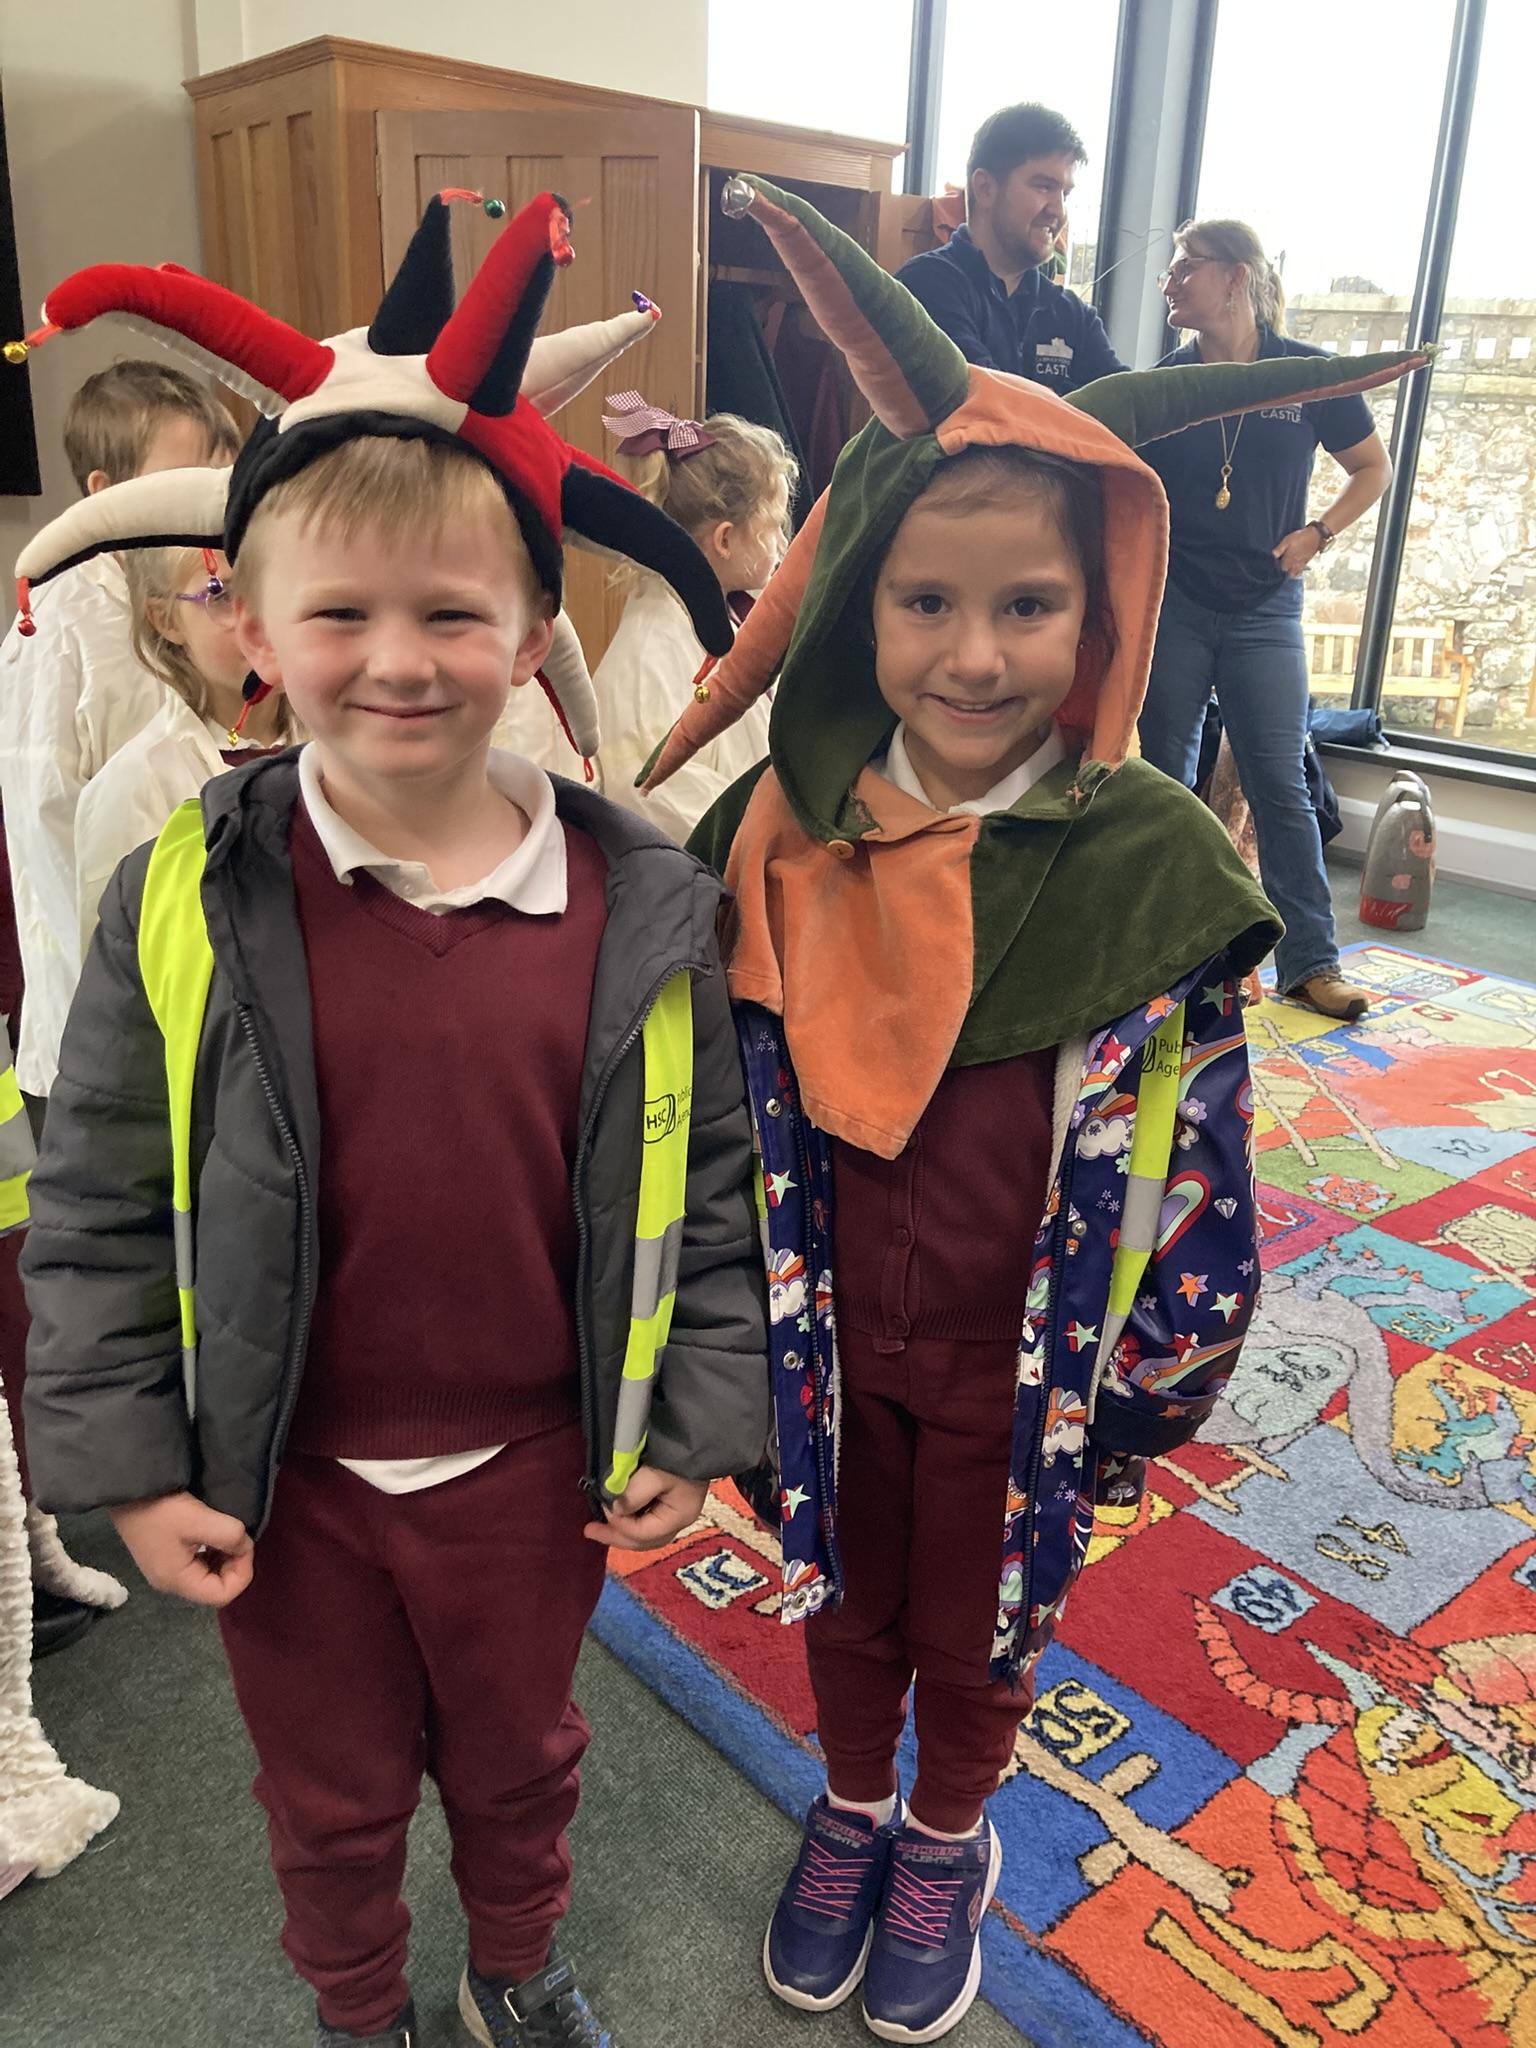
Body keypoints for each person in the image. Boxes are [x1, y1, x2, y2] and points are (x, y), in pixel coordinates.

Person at [642, 177, 1423, 2044]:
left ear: (1104, 611)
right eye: (925, 601)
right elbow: (689, 1106)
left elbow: (1200, 1147)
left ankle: (946, 1828)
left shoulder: (1151, 853)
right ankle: (851, 1801)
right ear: (858, 599)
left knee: (984, 1610)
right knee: (846, 1587)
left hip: (1030, 1345)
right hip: (832, 1334)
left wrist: (1157, 1371)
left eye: (1029, 606)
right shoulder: (774, 831)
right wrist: (706, 1336)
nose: (976, 655)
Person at [19, 193, 767, 2048]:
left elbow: (712, 1188)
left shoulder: (642, 908)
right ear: (255, 629)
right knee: (328, 1792)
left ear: (534, 628)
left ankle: (514, 1965)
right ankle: (360, 2010)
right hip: (285, 1478)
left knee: (524, 1758)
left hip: (536, 1465)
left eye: (452, 611)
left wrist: (696, 1420)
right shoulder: (186, 893)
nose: (400, 658)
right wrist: (129, 1464)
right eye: (340, 612)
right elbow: (98, 1192)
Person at [1136, 219, 1395, 1021]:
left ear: (1236, 277)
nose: (1170, 281)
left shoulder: (1306, 375)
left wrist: (1319, 533)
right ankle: (1156, 959)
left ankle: (1312, 964)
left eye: (1187, 266)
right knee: (1161, 783)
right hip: (1177, 605)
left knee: (1282, 787)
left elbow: (1372, 468)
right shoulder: (1166, 386)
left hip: (1266, 610)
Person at [0, 360, 240, 1110]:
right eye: (183, 481)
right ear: (106, 494)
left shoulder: (213, 593)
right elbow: (48, 833)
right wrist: (113, 1010)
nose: (206, 502)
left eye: (221, 476)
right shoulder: (61, 627)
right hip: (102, 1031)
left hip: (205, 997)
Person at [593, 397, 797, 841]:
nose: (783, 544)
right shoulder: (649, 656)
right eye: (774, 527)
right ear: (725, 540)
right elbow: (652, 796)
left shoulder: (724, 616)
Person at [74, 543, 293, 950]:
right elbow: (120, 966)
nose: (263, 619)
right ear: (165, 619)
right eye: (223, 595)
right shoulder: (136, 785)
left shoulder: (348, 743)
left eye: (280, 584)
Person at [897, 102, 1126, 391]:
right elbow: (985, 399)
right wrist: (1073, 402)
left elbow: (1124, 405)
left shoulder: (1072, 314)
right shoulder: (925, 284)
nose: (1058, 211)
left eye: (1065, 194)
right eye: (1044, 186)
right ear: (985, 188)